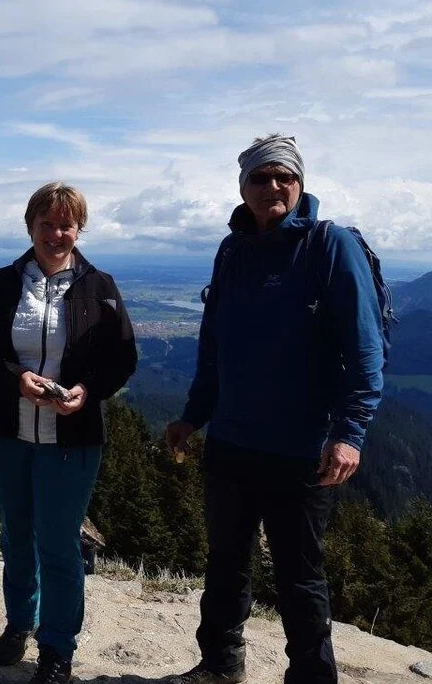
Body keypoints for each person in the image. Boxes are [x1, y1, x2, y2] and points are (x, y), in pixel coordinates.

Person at [164, 135, 385, 684]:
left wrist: (350, 433)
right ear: (242, 188)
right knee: (225, 564)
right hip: (232, 442)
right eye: (259, 178)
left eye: (283, 176)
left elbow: (365, 348)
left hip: (301, 449)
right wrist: (194, 415)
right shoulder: (232, 250)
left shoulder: (331, 246)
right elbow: (213, 344)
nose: (272, 187)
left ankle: (311, 677)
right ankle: (219, 665)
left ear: (301, 182)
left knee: (300, 576)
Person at [0, 182, 137, 684]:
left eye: (66, 224)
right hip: (7, 431)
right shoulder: (3, 283)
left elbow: (123, 358)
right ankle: (20, 622)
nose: (56, 233)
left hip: (73, 437)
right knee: (16, 535)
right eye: (46, 223)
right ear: (31, 226)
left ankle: (57, 646)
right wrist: (14, 379)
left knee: (60, 542)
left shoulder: (100, 287)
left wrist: (87, 392)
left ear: (79, 228)